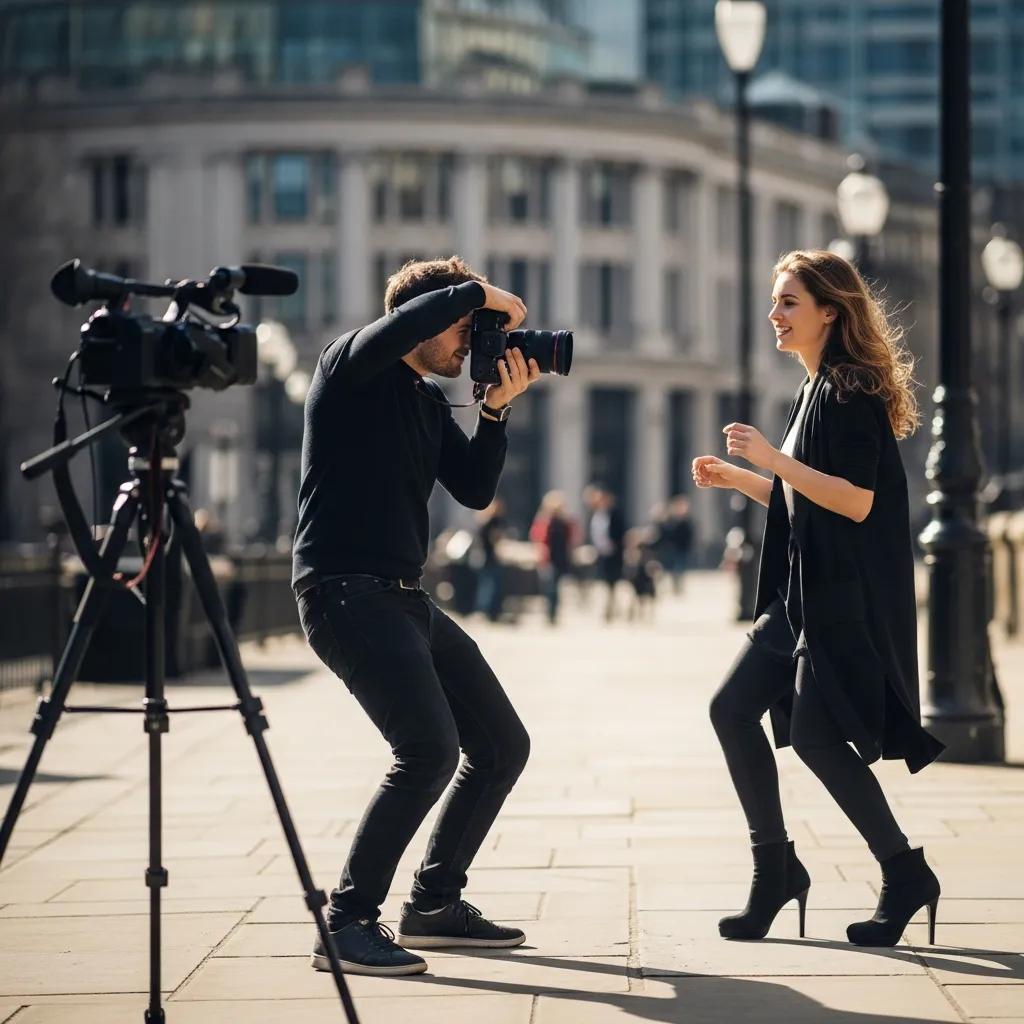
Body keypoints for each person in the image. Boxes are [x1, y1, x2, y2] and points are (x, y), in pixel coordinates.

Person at [292, 256, 541, 976]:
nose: (470, 339)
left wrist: (494, 411)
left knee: (501, 745)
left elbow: (473, 489)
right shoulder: (350, 364)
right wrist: (492, 296)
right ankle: (346, 922)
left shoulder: (427, 400)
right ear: (423, 318)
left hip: (403, 595)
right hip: (343, 592)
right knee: (428, 752)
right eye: (464, 326)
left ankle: (433, 903)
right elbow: (424, 317)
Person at [693, 249, 945, 948]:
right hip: (804, 592)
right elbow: (808, 503)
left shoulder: (852, 390)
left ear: (830, 311)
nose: (774, 314)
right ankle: (777, 868)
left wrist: (772, 459)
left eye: (789, 303)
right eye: (776, 302)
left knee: (810, 736)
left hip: (839, 601)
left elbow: (857, 504)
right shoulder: (813, 390)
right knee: (732, 709)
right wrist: (743, 480)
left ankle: (901, 871)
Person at [529, 490, 577, 624]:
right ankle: (550, 614)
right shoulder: (544, 520)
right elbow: (537, 537)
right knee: (550, 587)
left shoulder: (565, 521)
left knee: (556, 587)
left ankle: (553, 613)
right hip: (548, 558)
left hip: (560, 558)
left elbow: (572, 537)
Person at [586, 486, 626, 622]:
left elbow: (620, 533)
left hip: (613, 554)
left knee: (612, 582)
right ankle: (608, 608)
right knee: (603, 582)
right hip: (601, 554)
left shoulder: (615, 514)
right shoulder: (595, 515)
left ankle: (612, 608)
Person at [474, 498, 508, 622]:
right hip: (490, 557)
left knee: (488, 585)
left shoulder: (487, 521)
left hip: (488, 557)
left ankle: (487, 611)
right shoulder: (491, 522)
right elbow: (494, 539)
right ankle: (488, 611)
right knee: (490, 586)